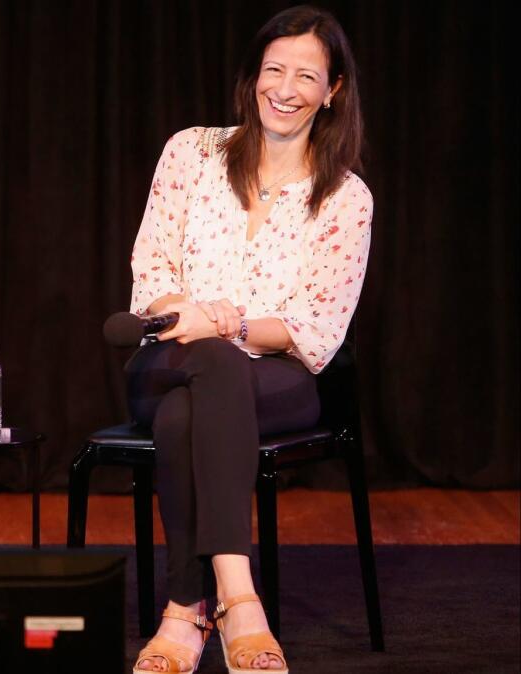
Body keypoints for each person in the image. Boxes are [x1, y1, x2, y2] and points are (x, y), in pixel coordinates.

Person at [125, 6, 371, 673]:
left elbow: (316, 332)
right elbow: (151, 271)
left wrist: (229, 324)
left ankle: (185, 611)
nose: (285, 89)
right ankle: (241, 599)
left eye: (306, 76)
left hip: (278, 376)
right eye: (274, 70)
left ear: (333, 90)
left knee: (192, 408)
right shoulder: (192, 152)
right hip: (168, 358)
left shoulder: (346, 199)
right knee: (201, 370)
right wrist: (193, 319)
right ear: (253, 76)